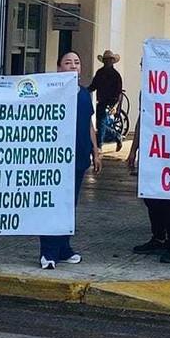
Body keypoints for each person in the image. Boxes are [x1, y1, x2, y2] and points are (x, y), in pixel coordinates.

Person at [39, 51, 101, 269]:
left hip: (79, 158)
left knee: (69, 205)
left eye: (76, 62)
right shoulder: (51, 93)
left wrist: (96, 149)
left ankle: (64, 248)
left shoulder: (84, 94)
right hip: (56, 161)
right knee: (53, 205)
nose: (73, 66)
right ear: (59, 68)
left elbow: (89, 124)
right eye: (67, 62)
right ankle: (48, 252)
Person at [128, 120, 170, 263]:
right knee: (150, 196)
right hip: (150, 151)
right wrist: (134, 149)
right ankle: (158, 237)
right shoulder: (146, 97)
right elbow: (141, 119)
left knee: (167, 198)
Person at [90, 50, 124, 148]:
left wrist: (115, 105)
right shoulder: (99, 73)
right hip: (101, 102)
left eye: (109, 60)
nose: (107, 62)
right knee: (100, 124)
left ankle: (99, 145)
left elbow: (119, 92)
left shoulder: (116, 75)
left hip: (110, 103)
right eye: (106, 60)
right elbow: (93, 86)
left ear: (112, 61)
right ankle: (116, 136)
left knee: (101, 124)